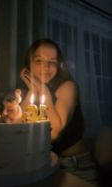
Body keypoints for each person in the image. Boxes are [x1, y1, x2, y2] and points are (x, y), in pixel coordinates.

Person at [20, 38, 98, 186]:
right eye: (39, 61)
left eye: (52, 62)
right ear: (29, 64)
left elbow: (55, 132)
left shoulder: (68, 87)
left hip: (75, 166)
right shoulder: (30, 93)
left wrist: (44, 92)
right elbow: (20, 128)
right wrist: (32, 90)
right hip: (45, 165)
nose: (46, 67)